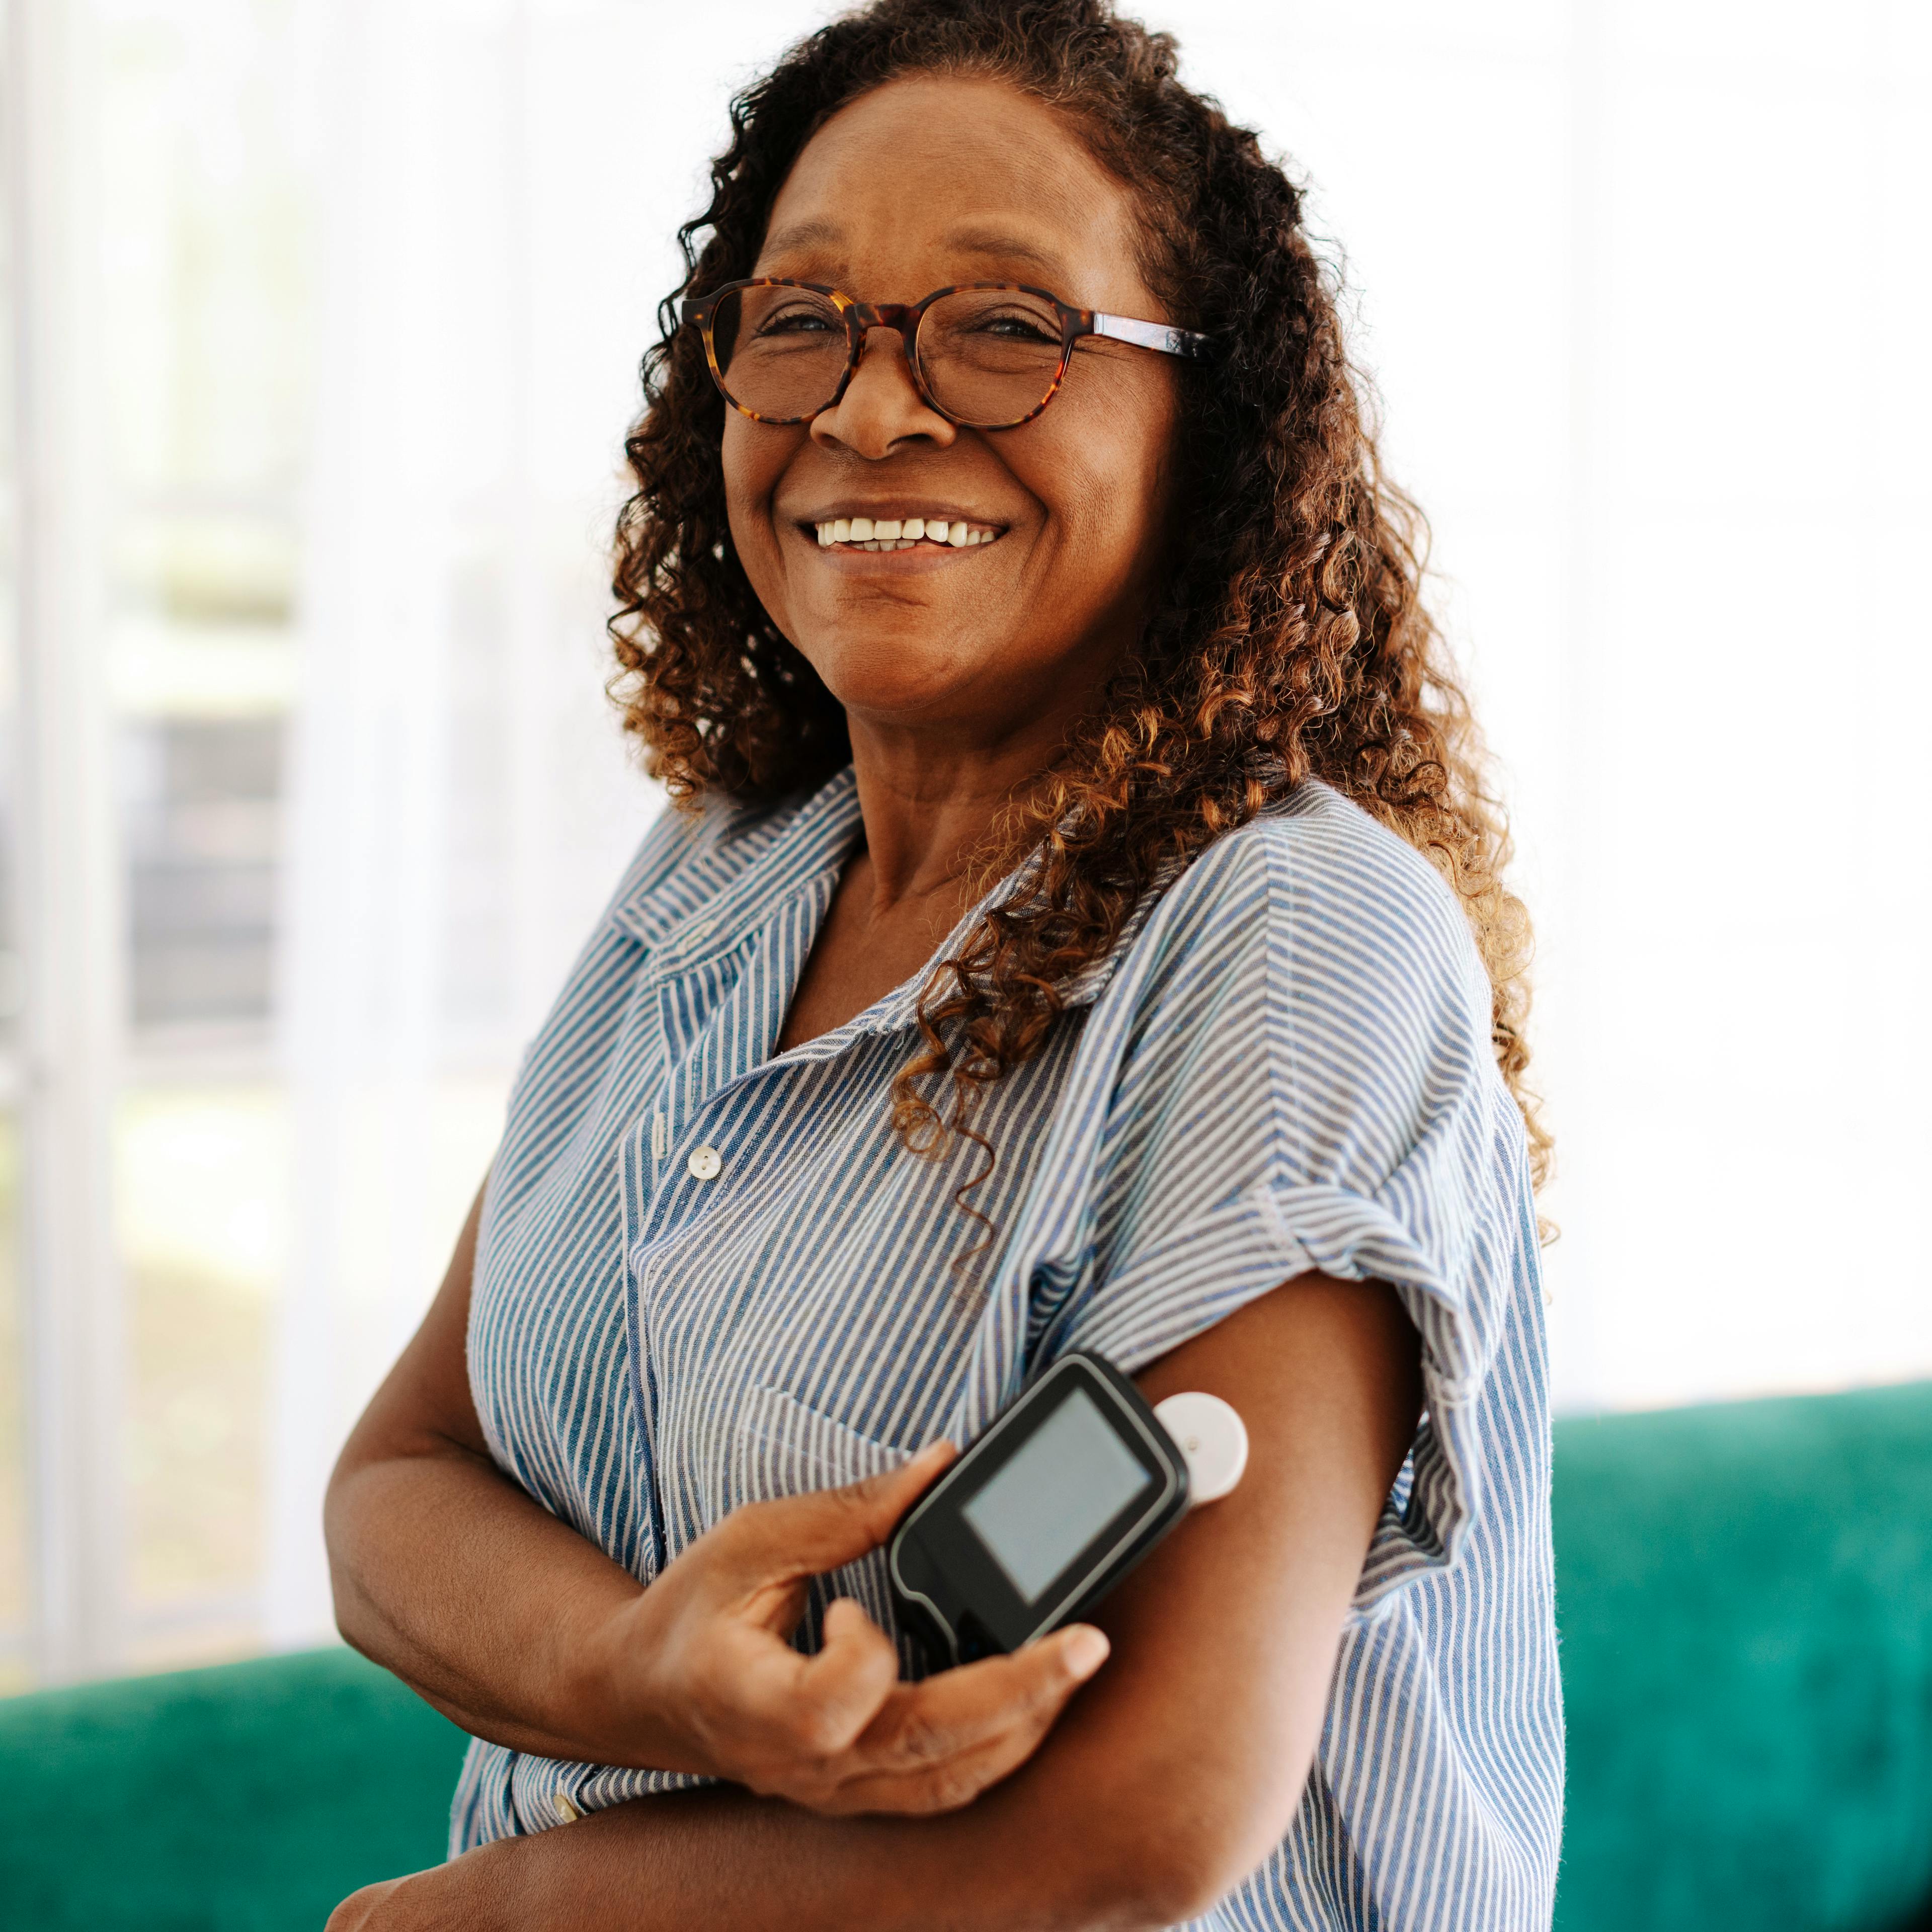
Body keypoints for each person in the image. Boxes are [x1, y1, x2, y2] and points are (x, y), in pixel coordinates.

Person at [323, 2, 1563, 1925]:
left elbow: (1145, 1815)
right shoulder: (715, 876)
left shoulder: (1292, 937)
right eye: (801, 320)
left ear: (1204, 418)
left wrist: (483, 1913)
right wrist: (646, 1671)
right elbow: (399, 1483)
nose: (872, 409)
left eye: (1007, 329)